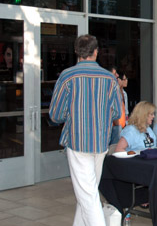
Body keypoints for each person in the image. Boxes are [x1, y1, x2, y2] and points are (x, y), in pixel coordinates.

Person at [49, 34, 123, 226]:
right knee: (88, 193)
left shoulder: (67, 76)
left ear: (76, 52)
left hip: (77, 141)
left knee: (88, 196)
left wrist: (73, 113)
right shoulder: (109, 78)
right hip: (100, 143)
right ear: (96, 52)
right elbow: (116, 113)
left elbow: (55, 115)